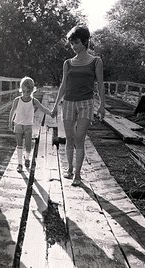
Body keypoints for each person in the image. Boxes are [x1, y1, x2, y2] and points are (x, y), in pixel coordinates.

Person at [51, 24, 105, 186]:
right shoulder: (67, 63)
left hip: (86, 104)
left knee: (79, 138)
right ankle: (69, 169)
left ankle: (78, 175)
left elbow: (100, 85)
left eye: (76, 42)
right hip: (68, 103)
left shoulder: (96, 61)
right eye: (72, 43)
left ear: (85, 41)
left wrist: (102, 105)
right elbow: (63, 85)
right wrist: (55, 106)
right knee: (69, 138)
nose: (73, 46)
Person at [9, 76, 53, 173]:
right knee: (19, 144)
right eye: (24, 91)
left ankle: (27, 158)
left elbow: (42, 108)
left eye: (28, 92)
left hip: (28, 125)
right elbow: (12, 111)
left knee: (28, 145)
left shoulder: (33, 100)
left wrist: (50, 113)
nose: (26, 94)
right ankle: (19, 164)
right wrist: (10, 122)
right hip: (18, 124)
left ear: (32, 91)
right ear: (21, 89)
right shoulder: (17, 100)